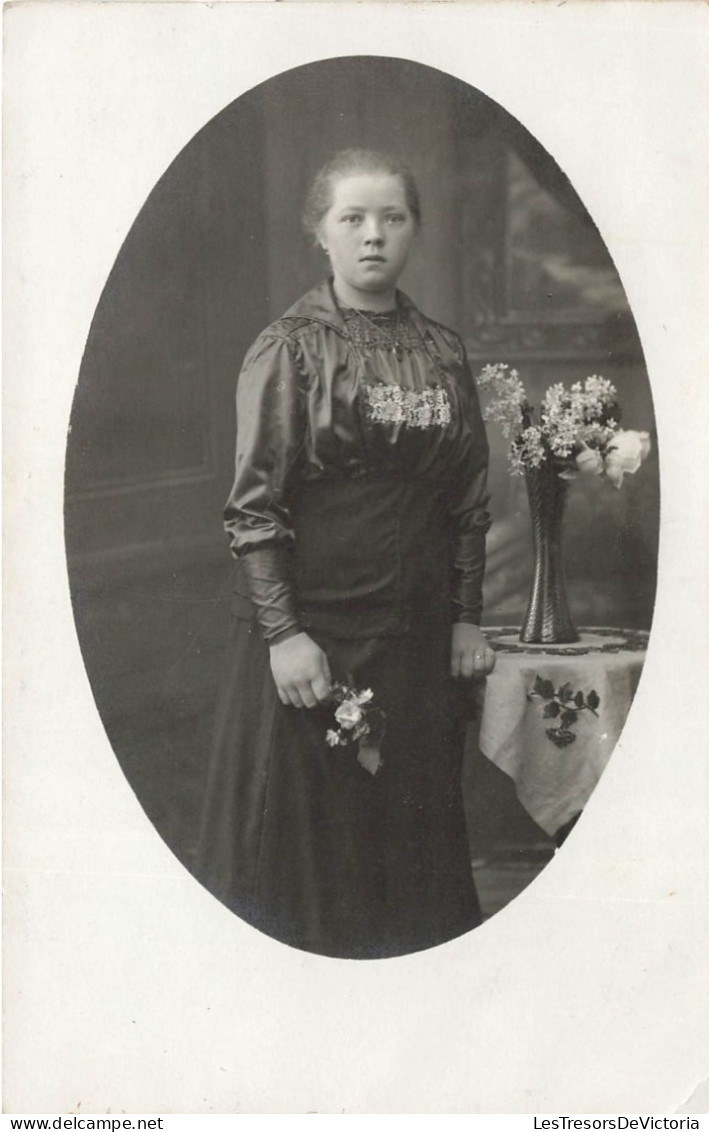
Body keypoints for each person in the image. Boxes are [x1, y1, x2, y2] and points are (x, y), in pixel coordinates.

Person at [196, 148, 495, 959]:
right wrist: (283, 634)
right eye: (351, 219)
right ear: (318, 235)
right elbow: (254, 507)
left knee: (410, 839)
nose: (373, 237)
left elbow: (466, 498)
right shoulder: (287, 349)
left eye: (391, 218)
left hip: (416, 631)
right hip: (312, 630)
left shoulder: (443, 350)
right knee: (310, 846)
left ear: (415, 232)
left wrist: (466, 617)